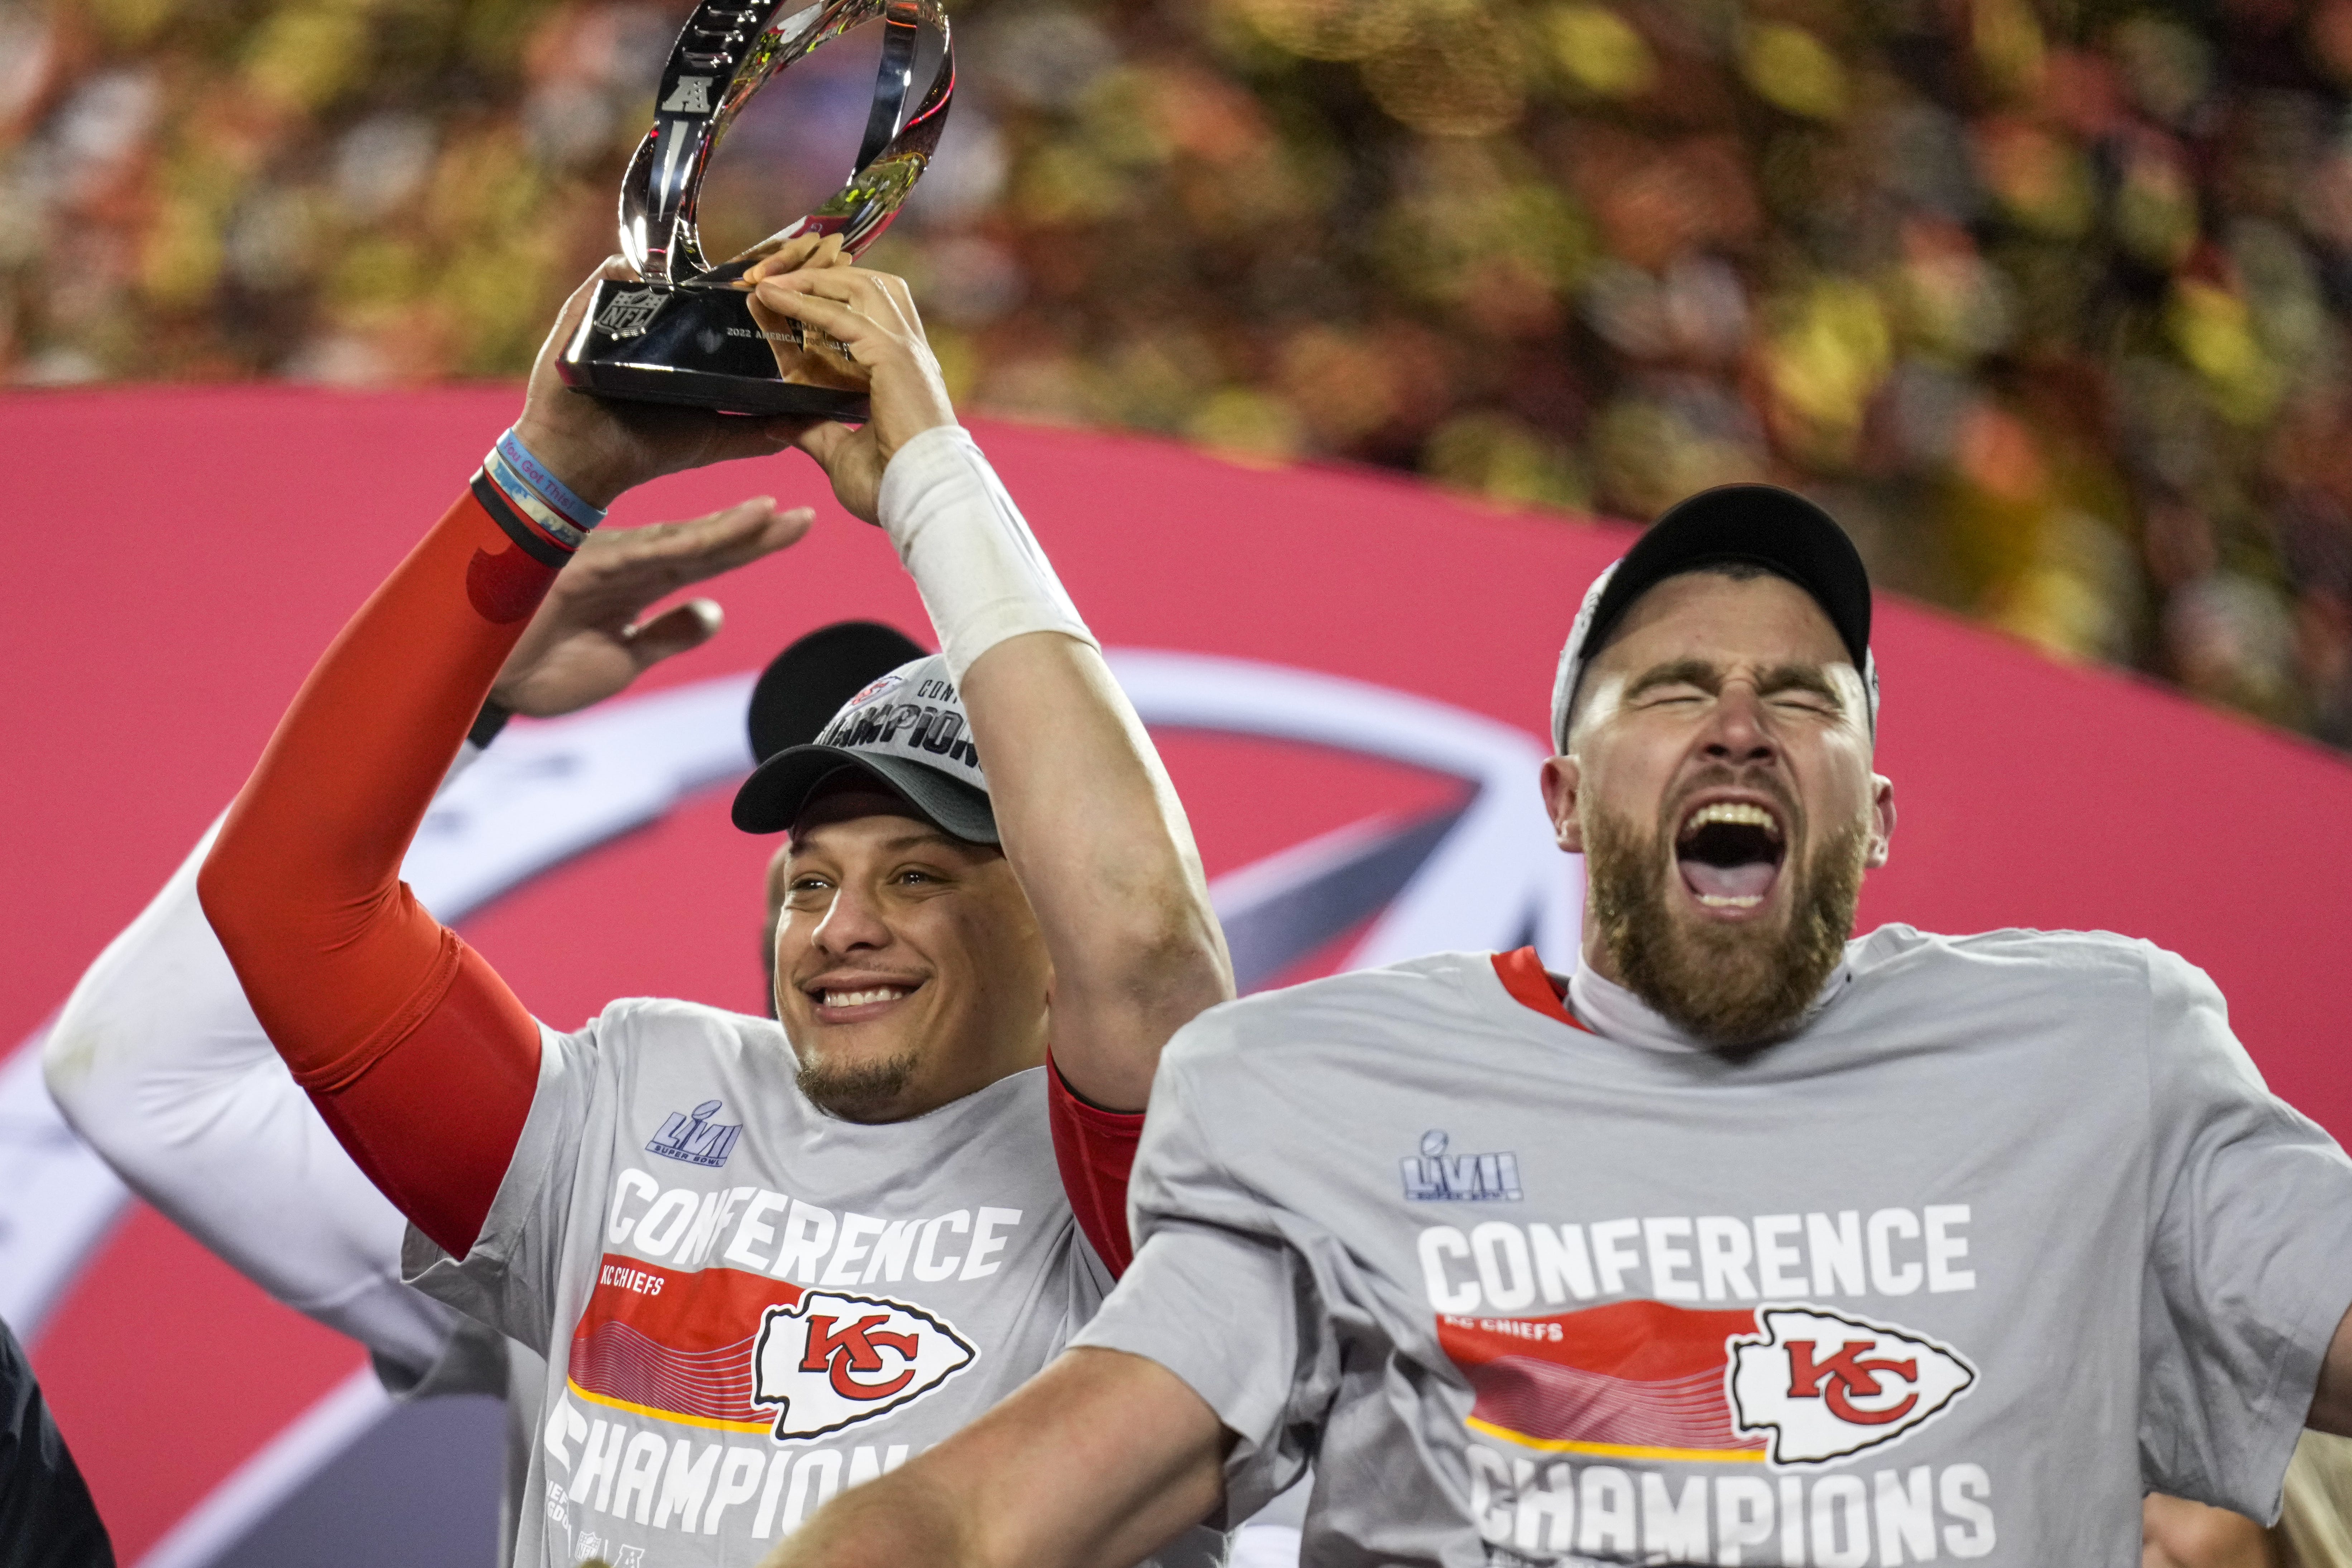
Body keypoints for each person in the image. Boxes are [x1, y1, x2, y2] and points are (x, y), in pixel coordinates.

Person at [753, 484, 2352, 1568]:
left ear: (1872, 816)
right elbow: (987, 1520)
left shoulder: (2100, 1057)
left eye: (1801, 696)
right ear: (1567, 804)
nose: (1738, 720)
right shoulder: (1324, 1100)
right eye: (1668, 692)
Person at [193, 239, 1233, 1566]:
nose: (842, 925)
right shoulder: (627, 1096)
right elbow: (288, 903)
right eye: (812, 878)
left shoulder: (1146, 1204)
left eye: (918, 873)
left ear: (1052, 931)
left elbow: (1143, 930)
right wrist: (547, 480)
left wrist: (931, 475)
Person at [42, 568, 909, 1564]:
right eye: (811, 858)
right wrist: (465, 701)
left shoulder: (1109, 1219)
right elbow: (144, 1075)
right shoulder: (600, 1185)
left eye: (920, 863)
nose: (848, 916)